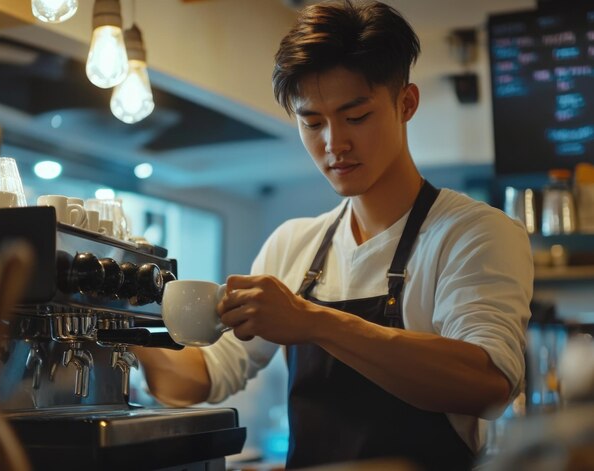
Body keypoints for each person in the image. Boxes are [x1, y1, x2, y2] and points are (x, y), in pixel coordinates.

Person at [134, 1, 533, 470]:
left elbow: (487, 383)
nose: (334, 144)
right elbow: (197, 380)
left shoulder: (473, 233)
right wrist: (126, 327)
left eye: (356, 116)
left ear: (406, 103)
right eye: (313, 122)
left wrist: (314, 323)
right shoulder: (292, 244)